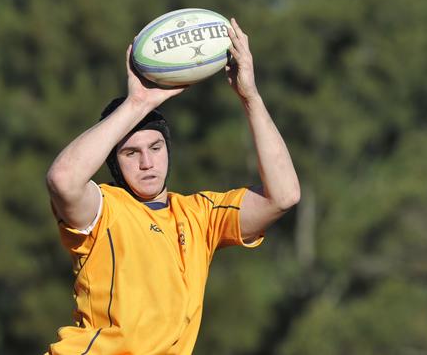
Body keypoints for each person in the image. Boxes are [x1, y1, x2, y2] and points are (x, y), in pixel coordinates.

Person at [44, 18, 300, 355]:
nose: (147, 163)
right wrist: (138, 104)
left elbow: (284, 195)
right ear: (113, 162)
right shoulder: (102, 210)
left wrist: (250, 96)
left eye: (155, 148)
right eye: (130, 152)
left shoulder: (199, 215)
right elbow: (62, 179)